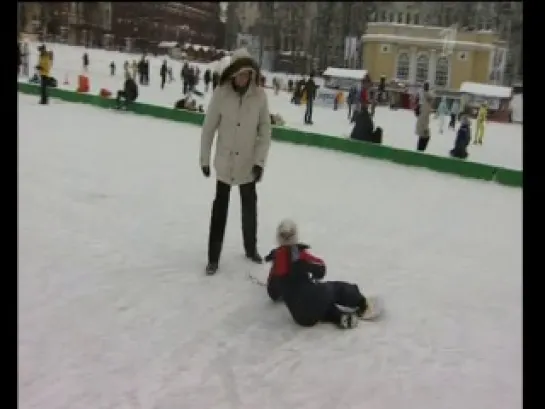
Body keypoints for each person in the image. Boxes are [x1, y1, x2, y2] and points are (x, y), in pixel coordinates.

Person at [200, 48, 272, 275]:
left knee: (249, 207)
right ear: (233, 73)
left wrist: (259, 162)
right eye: (240, 74)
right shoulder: (221, 93)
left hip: (247, 164)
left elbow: (265, 131)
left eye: (247, 74)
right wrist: (204, 157)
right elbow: (209, 128)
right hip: (225, 162)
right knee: (219, 210)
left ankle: (251, 249)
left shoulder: (259, 96)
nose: (244, 78)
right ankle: (213, 258)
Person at [265, 219, 381, 329]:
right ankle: (363, 304)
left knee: (317, 306)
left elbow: (273, 293)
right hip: (315, 298)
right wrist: (306, 264)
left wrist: (283, 288)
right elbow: (321, 269)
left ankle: (339, 317)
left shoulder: (276, 263)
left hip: (300, 317)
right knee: (335, 289)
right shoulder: (300, 256)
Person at [415, 82, 433, 152]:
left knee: (422, 139)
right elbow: (424, 117)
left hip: (421, 125)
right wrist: (425, 128)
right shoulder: (426, 104)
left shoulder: (424, 100)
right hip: (423, 126)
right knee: (425, 138)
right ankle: (420, 153)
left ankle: (419, 152)